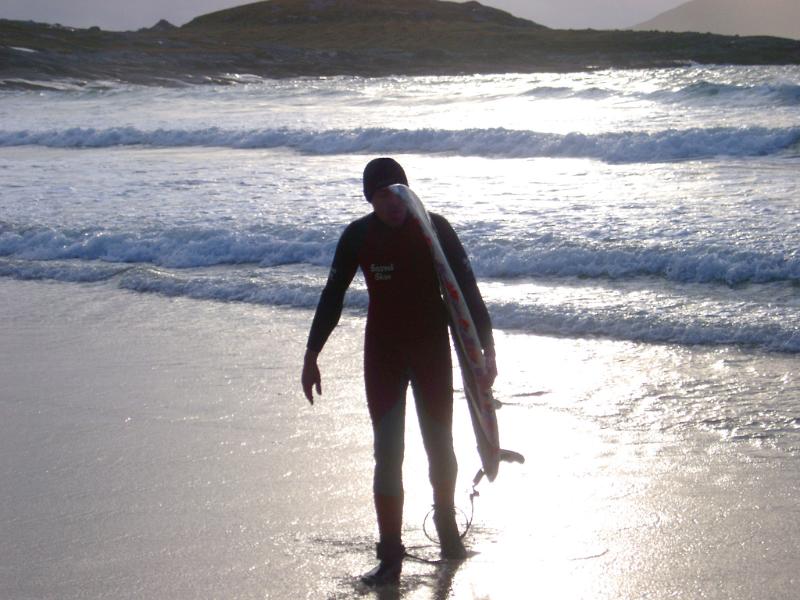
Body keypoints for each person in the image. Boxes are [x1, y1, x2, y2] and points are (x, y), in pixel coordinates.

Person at [301, 157, 496, 586]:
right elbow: (333, 295)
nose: (394, 203)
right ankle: (390, 556)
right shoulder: (358, 236)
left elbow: (466, 288)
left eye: (399, 193)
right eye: (383, 195)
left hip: (431, 351)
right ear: (370, 199)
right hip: (383, 355)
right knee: (387, 453)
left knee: (439, 444)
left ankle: (447, 530)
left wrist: (488, 351)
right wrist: (312, 353)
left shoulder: (434, 229)